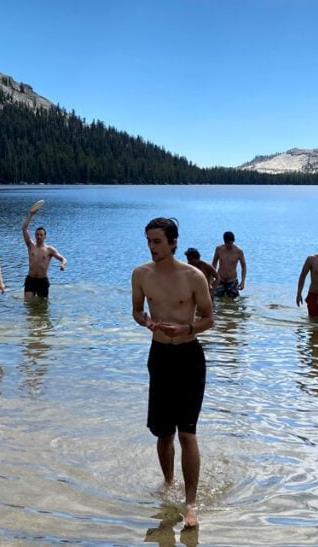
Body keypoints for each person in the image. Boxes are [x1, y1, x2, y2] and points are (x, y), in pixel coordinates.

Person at [131, 217, 215, 529]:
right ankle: (168, 483)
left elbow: (209, 318)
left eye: (158, 241)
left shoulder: (193, 276)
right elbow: (137, 311)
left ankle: (190, 502)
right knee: (163, 433)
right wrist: (147, 322)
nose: (152, 247)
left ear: (173, 242)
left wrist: (186, 327)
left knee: (187, 432)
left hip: (189, 356)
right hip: (160, 356)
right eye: (149, 241)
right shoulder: (141, 274)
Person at [22, 203, 67, 300]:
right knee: (28, 304)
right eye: (37, 234)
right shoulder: (30, 246)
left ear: (45, 236)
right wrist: (31, 215)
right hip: (30, 279)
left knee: (43, 307)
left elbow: (63, 258)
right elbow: (24, 229)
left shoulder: (49, 250)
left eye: (41, 235)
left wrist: (63, 264)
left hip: (42, 281)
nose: (38, 236)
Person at [211, 231, 246, 298]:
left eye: (230, 243)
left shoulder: (238, 251)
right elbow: (214, 263)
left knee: (234, 301)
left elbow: (243, 266)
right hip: (220, 280)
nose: (229, 245)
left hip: (232, 281)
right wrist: (212, 277)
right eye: (227, 243)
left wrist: (242, 282)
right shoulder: (219, 249)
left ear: (233, 241)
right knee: (216, 299)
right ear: (224, 241)